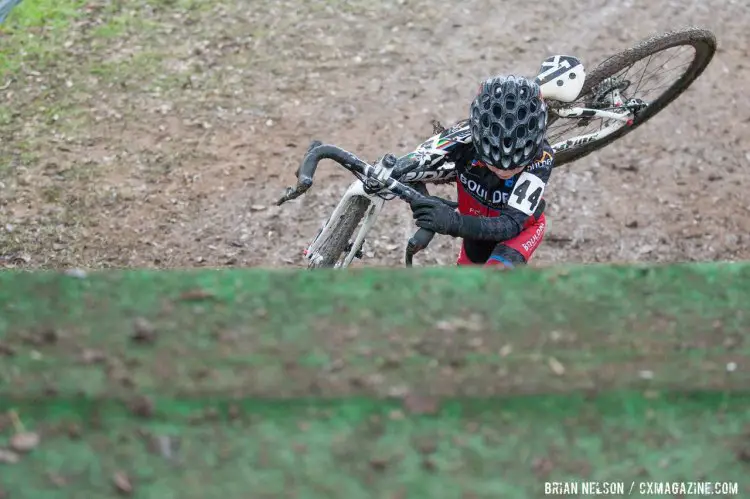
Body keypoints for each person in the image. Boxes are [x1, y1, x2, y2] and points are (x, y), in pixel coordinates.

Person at [406, 74, 553, 269]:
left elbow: (510, 225)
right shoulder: (460, 140)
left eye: (517, 167)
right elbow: (411, 167)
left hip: (520, 229)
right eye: (493, 164)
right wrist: (423, 201)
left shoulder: (542, 157)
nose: (504, 171)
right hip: (475, 230)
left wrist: (451, 222)